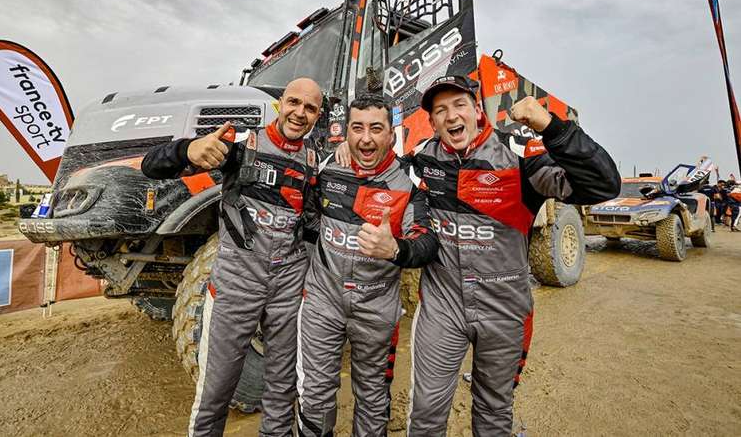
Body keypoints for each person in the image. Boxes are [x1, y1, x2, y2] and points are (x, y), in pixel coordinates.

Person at [337, 76, 619, 436]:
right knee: (425, 413)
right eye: (440, 110)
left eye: (459, 105)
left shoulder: (517, 156)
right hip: (443, 308)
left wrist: (551, 126)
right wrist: (345, 148)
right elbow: (377, 167)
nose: (451, 116)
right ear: (433, 122)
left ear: (477, 111)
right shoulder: (423, 159)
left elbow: (603, 184)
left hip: (504, 309)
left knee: (494, 412)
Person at [141, 78, 323, 437]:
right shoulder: (242, 143)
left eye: (310, 108)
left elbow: (318, 228)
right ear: (280, 104)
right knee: (215, 394)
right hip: (235, 287)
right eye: (294, 102)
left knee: (281, 394)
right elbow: (151, 166)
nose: (300, 113)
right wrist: (186, 151)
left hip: (288, 292)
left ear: (317, 116)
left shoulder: (315, 163)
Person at [296, 95, 439, 437]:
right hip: (322, 302)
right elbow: (307, 215)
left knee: (373, 397)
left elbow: (427, 243)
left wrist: (395, 249)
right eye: (357, 129)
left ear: (391, 133)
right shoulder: (329, 167)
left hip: (376, 309)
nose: (365, 139)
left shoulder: (407, 182)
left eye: (376, 129)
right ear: (346, 132)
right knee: (314, 395)